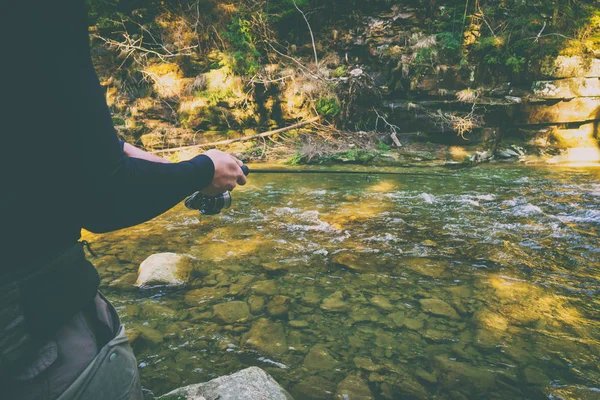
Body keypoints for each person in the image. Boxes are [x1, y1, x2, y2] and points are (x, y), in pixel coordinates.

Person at [0, 1, 246, 399]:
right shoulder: (39, 12)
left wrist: (170, 168)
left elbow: (56, 143)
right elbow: (102, 198)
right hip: (30, 322)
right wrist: (203, 170)